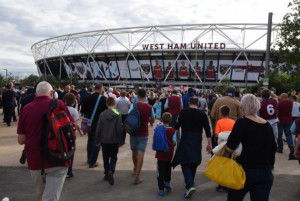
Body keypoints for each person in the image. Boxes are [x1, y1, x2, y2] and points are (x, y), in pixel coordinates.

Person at [17, 81, 74, 201]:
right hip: (58, 159)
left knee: (42, 196)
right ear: (52, 93)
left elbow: (21, 140)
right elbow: (70, 129)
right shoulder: (59, 104)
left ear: (36, 94)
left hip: (35, 161)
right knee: (50, 198)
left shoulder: (26, 109)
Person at [226, 94, 277, 201]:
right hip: (265, 172)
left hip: (244, 171)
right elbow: (273, 148)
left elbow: (230, 147)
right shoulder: (267, 125)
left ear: (242, 106)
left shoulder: (241, 123)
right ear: (258, 106)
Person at [172, 97, 212, 199]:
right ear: (198, 103)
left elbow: (177, 125)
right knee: (194, 161)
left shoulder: (183, 112)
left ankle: (190, 185)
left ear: (189, 103)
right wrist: (209, 144)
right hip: (197, 139)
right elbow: (207, 130)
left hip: (186, 138)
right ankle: (190, 184)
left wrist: (167, 128)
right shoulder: (202, 114)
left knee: (184, 161)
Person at [95, 97, 123, 185]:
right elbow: (119, 128)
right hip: (114, 140)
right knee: (114, 156)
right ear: (114, 104)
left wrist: (97, 139)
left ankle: (107, 173)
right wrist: (120, 139)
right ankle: (111, 170)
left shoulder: (102, 114)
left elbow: (98, 128)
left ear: (106, 104)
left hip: (104, 140)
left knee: (105, 157)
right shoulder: (117, 114)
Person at [129, 88, 154, 184]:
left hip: (134, 132)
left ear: (137, 96)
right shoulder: (149, 107)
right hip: (143, 132)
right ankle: (137, 176)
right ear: (145, 96)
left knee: (134, 152)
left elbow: (129, 116)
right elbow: (152, 119)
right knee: (141, 153)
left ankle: (135, 168)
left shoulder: (133, 105)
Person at [81, 84, 107, 168]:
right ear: (100, 89)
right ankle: (93, 161)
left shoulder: (87, 97)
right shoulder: (103, 99)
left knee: (90, 140)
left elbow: (83, 110)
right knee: (96, 142)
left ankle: (89, 159)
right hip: (98, 123)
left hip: (88, 123)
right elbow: (105, 112)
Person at [214, 105, 235, 192]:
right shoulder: (233, 122)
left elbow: (216, 134)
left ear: (221, 113)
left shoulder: (219, 122)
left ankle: (221, 185)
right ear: (229, 113)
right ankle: (228, 184)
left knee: (221, 165)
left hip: (221, 146)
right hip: (231, 146)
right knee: (229, 164)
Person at [155, 112, 176, 196]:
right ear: (170, 120)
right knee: (168, 168)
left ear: (161, 120)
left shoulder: (158, 129)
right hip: (169, 153)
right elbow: (174, 142)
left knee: (161, 171)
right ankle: (167, 182)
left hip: (160, 153)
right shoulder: (172, 130)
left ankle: (161, 189)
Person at [63, 93, 83, 178]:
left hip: (61, 131)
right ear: (74, 101)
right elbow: (76, 124)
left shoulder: (61, 109)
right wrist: (80, 132)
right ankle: (69, 171)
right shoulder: (74, 110)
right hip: (71, 133)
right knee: (71, 150)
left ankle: (62, 167)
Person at [277, 93, 295, 160]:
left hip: (280, 121)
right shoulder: (291, 102)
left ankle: (280, 149)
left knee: (280, 135)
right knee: (288, 135)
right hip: (289, 120)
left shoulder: (280, 103)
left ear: (283, 96)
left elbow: (277, 111)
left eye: (281, 96)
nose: (280, 97)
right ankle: (291, 148)